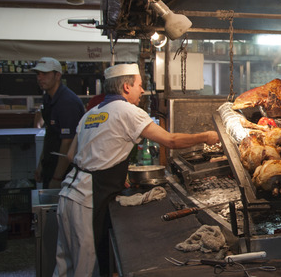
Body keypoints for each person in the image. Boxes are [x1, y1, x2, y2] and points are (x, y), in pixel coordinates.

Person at [54, 63, 220, 277]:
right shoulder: (128, 111)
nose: (142, 90)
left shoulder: (92, 113)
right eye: (140, 85)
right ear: (126, 87)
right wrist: (205, 136)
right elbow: (170, 140)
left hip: (68, 194)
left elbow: (71, 156)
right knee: (86, 269)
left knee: (64, 267)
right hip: (88, 200)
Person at [32, 57, 85, 189]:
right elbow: (49, 134)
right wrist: (41, 166)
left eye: (45, 74)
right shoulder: (48, 98)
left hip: (65, 172)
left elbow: (67, 143)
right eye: (38, 74)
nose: (40, 78)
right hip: (51, 165)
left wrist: (57, 178)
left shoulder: (67, 102)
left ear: (58, 76)